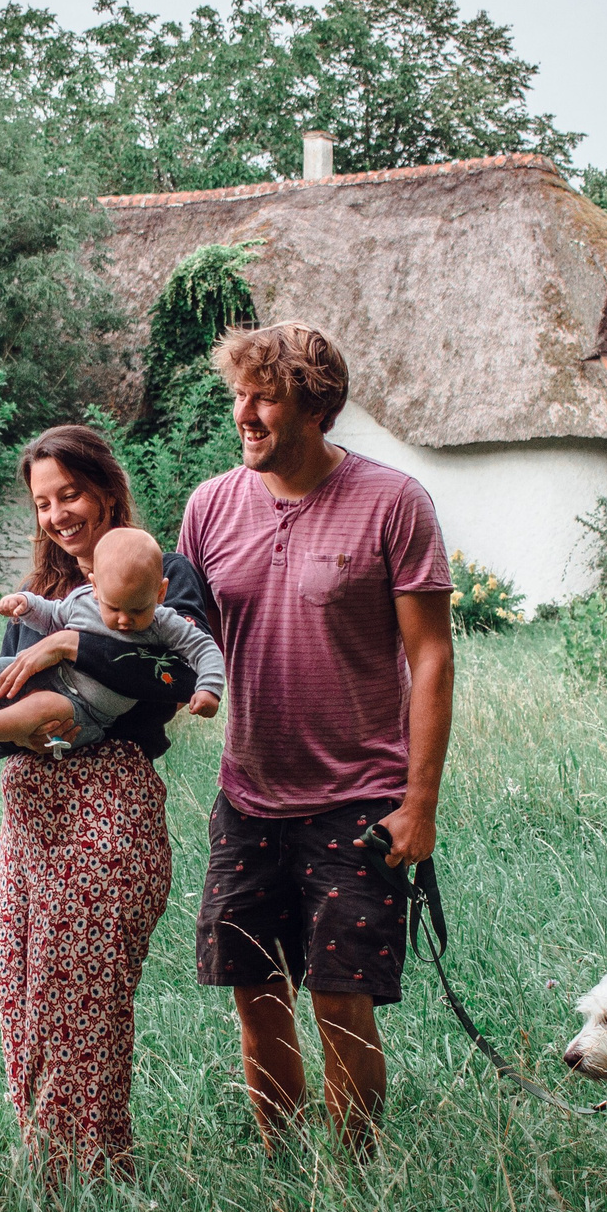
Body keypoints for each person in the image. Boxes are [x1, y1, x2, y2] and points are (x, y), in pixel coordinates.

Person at [177, 323, 455, 1158]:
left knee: (341, 1002)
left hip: (360, 799)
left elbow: (432, 656)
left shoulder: (393, 502)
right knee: (257, 997)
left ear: (315, 403)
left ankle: (356, 1177)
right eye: (238, 395)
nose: (245, 413)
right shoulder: (210, 505)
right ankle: (283, 1163)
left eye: (265, 395)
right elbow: (176, 632)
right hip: (249, 792)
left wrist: (421, 803)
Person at [0, 426, 212, 1178]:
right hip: (30, 804)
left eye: (70, 493)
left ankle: (93, 1168)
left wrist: (70, 649)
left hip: (109, 796)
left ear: (107, 489)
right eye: (43, 501)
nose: (58, 513)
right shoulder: (41, 597)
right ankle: (48, 1160)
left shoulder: (160, 570)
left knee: (81, 984)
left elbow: (176, 680)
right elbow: (6, 703)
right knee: (23, 985)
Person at [0, 526, 222, 766]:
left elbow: (203, 649)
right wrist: (25, 604)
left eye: (137, 610)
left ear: (160, 593)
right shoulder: (83, 601)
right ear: (95, 587)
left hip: (87, 711)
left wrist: (208, 688)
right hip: (52, 678)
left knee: (43, 704)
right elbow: (52, 614)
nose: (124, 620)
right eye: (114, 607)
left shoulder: (164, 622)